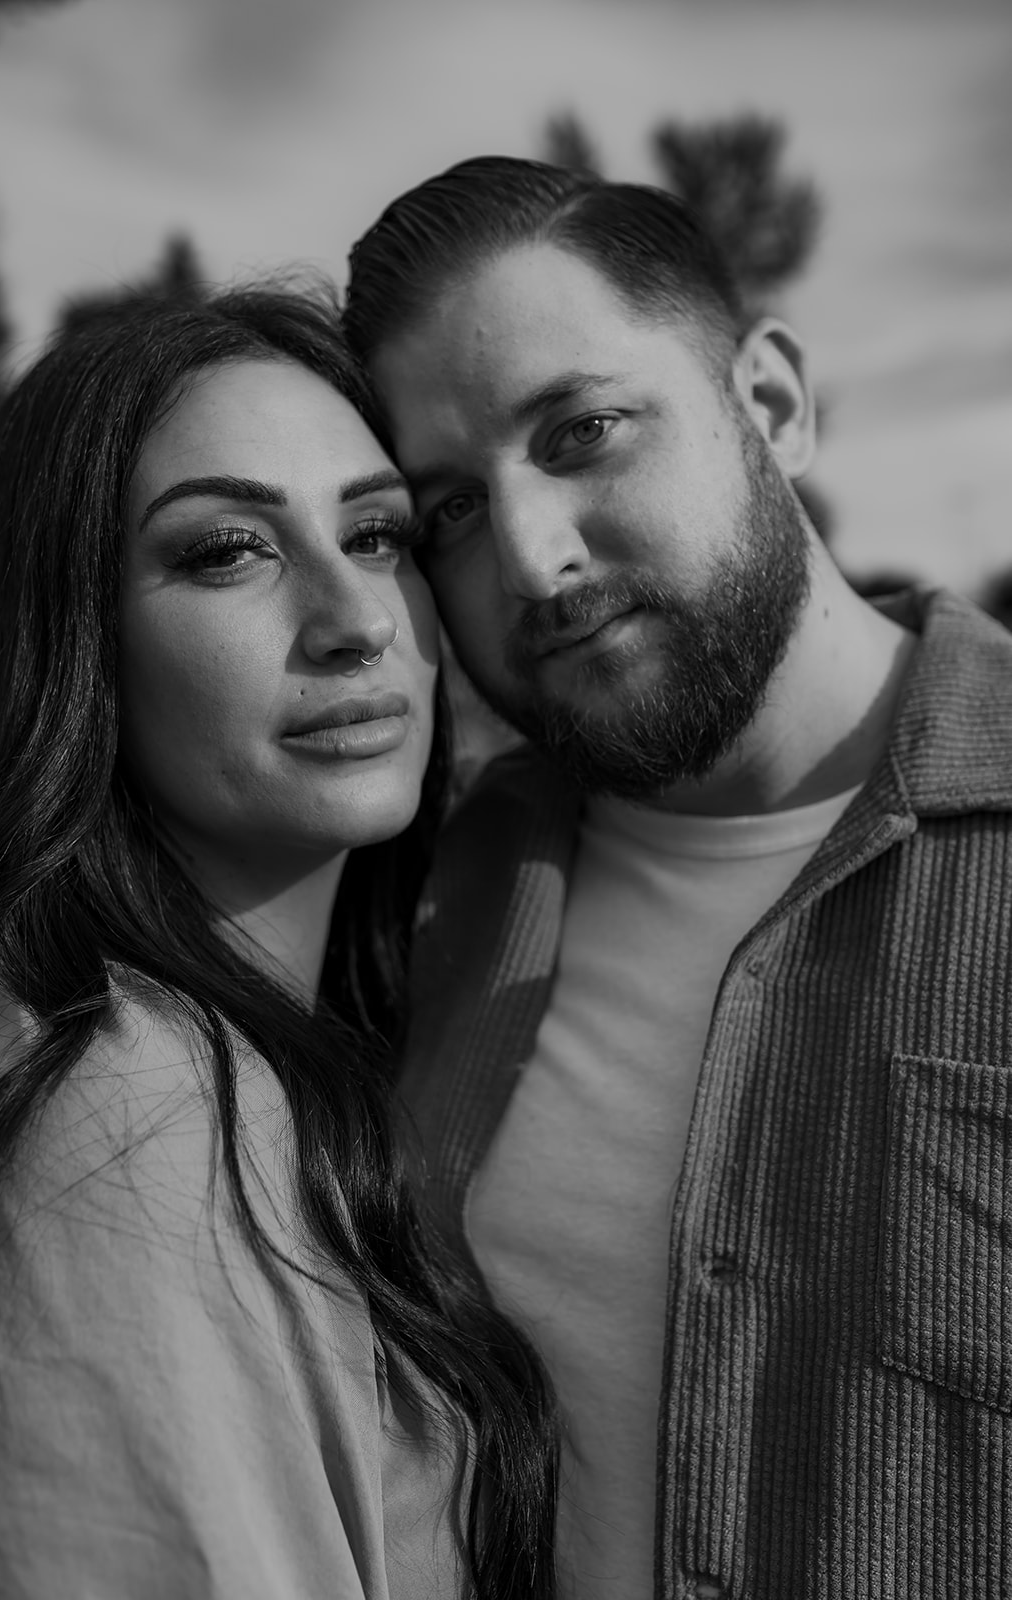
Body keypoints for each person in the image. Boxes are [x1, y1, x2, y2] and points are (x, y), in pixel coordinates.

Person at [344, 156, 1012, 1599]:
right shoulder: (428, 896)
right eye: (450, 509)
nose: (531, 559)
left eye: (582, 431)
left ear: (769, 402)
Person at [0, 286, 559, 1599]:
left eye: (380, 535)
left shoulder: (242, 1062)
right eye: (228, 550)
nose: (356, 620)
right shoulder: (130, 1120)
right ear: (83, 641)